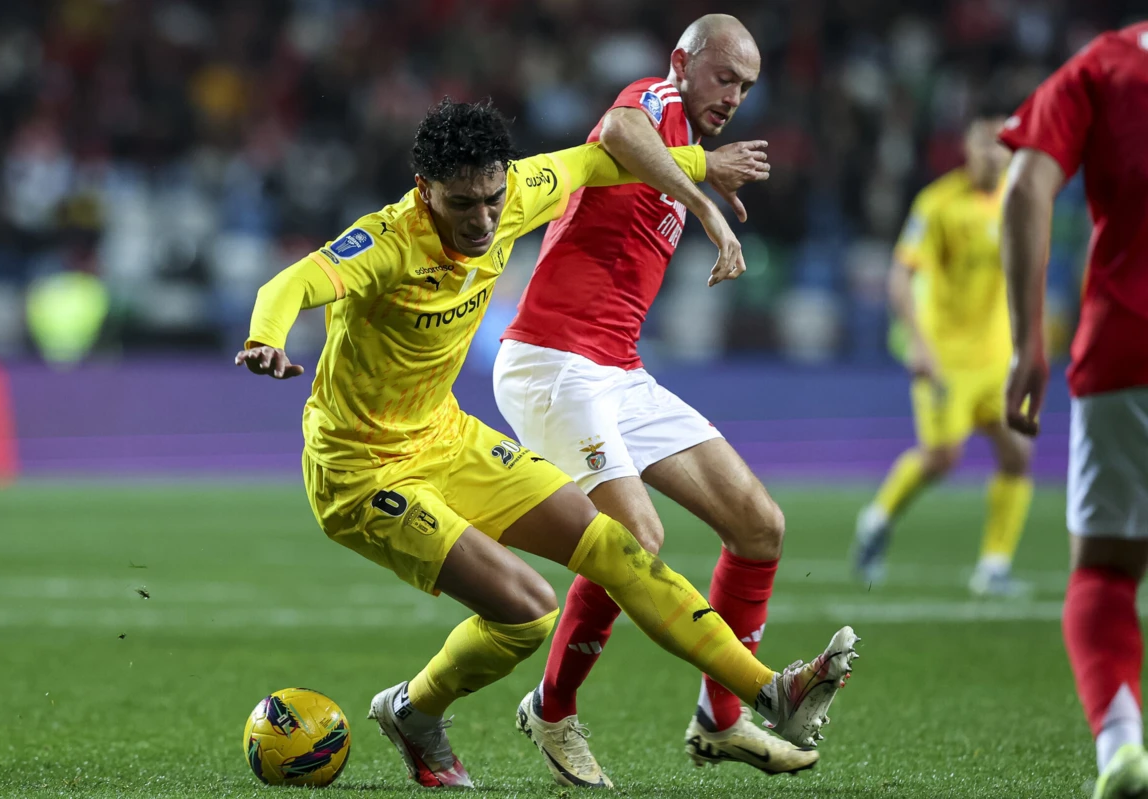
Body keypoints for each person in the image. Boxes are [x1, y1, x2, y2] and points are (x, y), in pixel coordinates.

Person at [236, 98, 860, 789]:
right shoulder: (386, 243)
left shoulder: (521, 190)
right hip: (360, 470)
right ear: (425, 192)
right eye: (461, 204)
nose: (482, 220)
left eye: (492, 198)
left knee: (620, 546)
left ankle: (772, 691)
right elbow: (289, 282)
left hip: (446, 436)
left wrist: (704, 164)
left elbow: (603, 159)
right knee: (530, 610)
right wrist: (267, 335)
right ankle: (416, 710)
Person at [493, 13, 830, 787]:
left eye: (746, 87)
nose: (734, 96)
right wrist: (706, 192)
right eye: (724, 77)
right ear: (683, 61)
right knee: (633, 539)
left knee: (759, 525)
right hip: (552, 360)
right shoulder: (656, 102)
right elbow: (615, 128)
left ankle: (721, 718)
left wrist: (701, 177)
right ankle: (551, 706)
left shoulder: (686, 143)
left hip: (617, 368)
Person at [999, 22, 1148, 799]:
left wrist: (1028, 339)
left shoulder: (1103, 66)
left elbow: (1026, 186)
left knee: (1106, 571)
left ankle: (1123, 742)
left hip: (1129, 343)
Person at [852, 104, 1035, 597]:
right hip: (945, 357)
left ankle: (993, 566)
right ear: (967, 148)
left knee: (1017, 453)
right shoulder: (938, 204)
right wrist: (917, 342)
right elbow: (900, 276)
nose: (993, 153)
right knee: (942, 458)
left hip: (997, 356)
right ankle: (877, 519)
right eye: (984, 142)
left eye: (1003, 144)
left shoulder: (1021, 200)